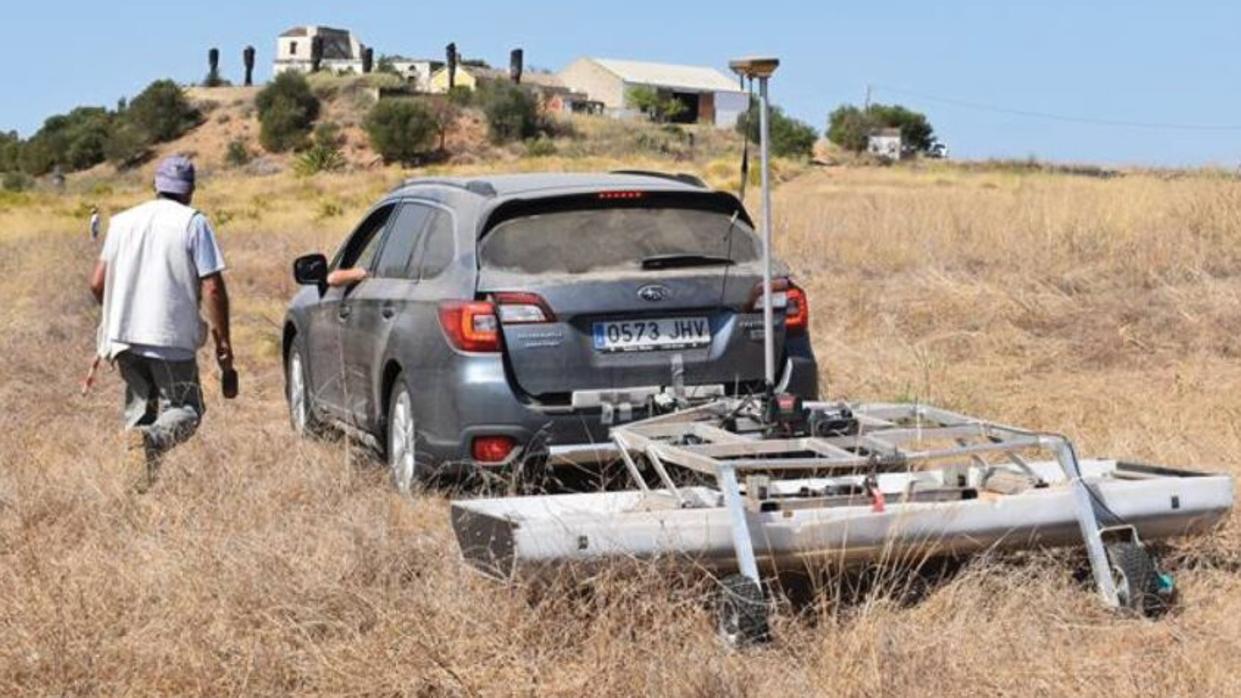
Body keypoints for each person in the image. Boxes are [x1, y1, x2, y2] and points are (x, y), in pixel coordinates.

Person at [88, 155, 234, 492]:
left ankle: (137, 494)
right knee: (185, 409)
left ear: (156, 185)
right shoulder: (193, 222)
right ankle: (151, 440)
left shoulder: (122, 222)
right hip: (170, 337)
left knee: (139, 412)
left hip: (123, 338)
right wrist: (223, 340)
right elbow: (212, 286)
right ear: (190, 191)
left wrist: (116, 317)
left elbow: (97, 283)